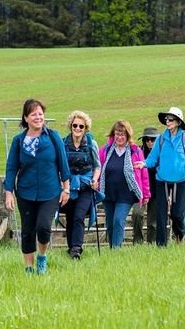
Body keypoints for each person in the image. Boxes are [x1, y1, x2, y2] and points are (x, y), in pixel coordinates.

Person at [4, 99, 70, 275]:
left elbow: (63, 164)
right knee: (27, 231)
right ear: (26, 118)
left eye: (40, 114)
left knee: (43, 227)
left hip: (50, 192)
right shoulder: (18, 141)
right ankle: (28, 268)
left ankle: (42, 256)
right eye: (33, 114)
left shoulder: (53, 137)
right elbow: (11, 168)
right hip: (25, 192)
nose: (38, 117)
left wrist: (66, 188)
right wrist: (8, 192)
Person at [134, 107, 185, 247]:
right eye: (166, 119)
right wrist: (144, 163)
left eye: (171, 119)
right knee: (161, 214)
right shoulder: (160, 139)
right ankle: (161, 245)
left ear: (178, 122)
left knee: (177, 213)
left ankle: (179, 236)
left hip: (181, 180)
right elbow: (153, 158)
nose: (168, 121)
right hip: (162, 180)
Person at [99, 121, 150, 248]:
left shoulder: (135, 151)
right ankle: (112, 248)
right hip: (108, 193)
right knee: (110, 223)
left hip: (126, 194)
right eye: (117, 134)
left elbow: (144, 174)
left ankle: (116, 250)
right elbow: (98, 168)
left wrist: (146, 193)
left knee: (118, 220)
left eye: (122, 134)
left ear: (127, 136)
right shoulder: (105, 150)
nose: (119, 137)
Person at [61, 110, 101, 260]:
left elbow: (97, 166)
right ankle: (71, 247)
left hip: (85, 186)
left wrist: (95, 180)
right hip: (69, 186)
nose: (77, 129)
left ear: (86, 128)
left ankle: (77, 249)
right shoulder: (63, 143)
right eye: (75, 125)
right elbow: (59, 166)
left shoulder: (91, 143)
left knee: (79, 216)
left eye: (81, 126)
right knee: (70, 217)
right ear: (70, 126)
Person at [132, 127, 160, 244]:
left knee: (153, 222)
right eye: (147, 139)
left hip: (157, 190)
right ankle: (138, 242)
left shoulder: (162, 153)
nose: (150, 142)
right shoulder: (138, 152)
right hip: (140, 191)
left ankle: (151, 244)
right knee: (137, 214)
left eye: (153, 139)